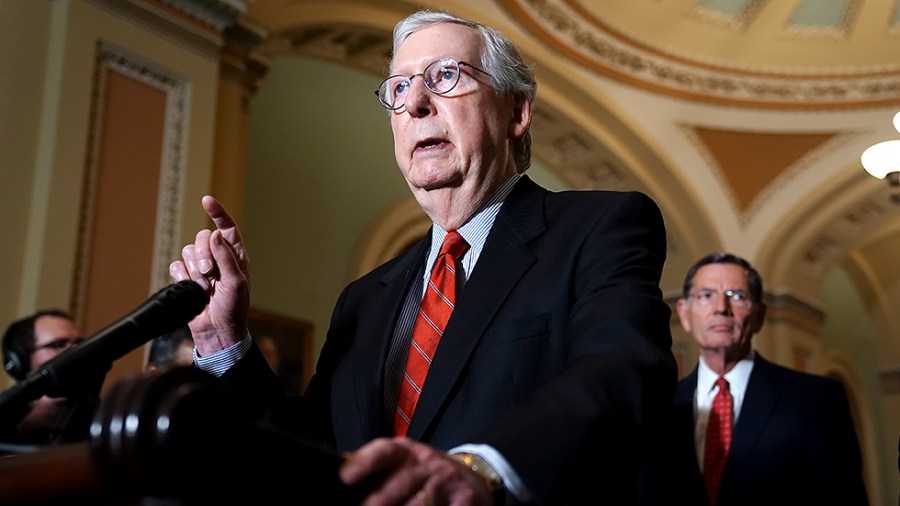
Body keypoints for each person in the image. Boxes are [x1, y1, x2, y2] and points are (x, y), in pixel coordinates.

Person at [169, 9, 676, 505]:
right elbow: (311, 452)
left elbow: (623, 371)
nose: (415, 104)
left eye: (446, 76)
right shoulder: (365, 299)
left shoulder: (598, 228)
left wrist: (483, 471)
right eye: (399, 89)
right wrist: (224, 341)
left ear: (517, 112)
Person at [669, 252, 868, 505]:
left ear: (759, 316)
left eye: (737, 296)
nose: (721, 308)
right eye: (706, 296)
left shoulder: (817, 400)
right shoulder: (662, 407)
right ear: (684, 313)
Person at [0, 309, 102, 447]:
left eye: (80, 343)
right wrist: (30, 425)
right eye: (58, 345)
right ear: (21, 361)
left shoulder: (97, 409)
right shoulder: (7, 414)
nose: (75, 351)